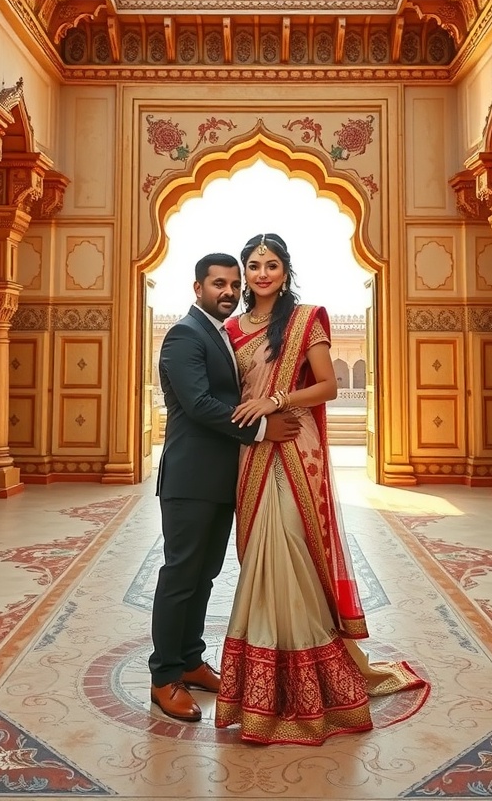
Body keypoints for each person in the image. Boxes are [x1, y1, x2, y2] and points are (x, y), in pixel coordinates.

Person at [215, 234, 429, 746]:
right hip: (253, 449)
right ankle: (265, 677)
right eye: (253, 266)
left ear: (285, 271)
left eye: (271, 264)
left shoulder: (305, 319)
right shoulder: (231, 329)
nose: (262, 273)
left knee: (291, 543)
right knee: (260, 551)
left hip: (296, 441)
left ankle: (313, 672)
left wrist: (276, 400)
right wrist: (255, 416)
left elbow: (328, 386)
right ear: (244, 274)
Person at [149, 252, 301, 723]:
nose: (230, 292)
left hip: (220, 479)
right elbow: (198, 404)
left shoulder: (220, 334)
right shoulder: (185, 334)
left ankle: (191, 661)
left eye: (235, 284)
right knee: (180, 576)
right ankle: (163, 677)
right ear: (198, 288)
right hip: (190, 478)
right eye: (219, 284)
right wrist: (262, 430)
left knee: (204, 575)